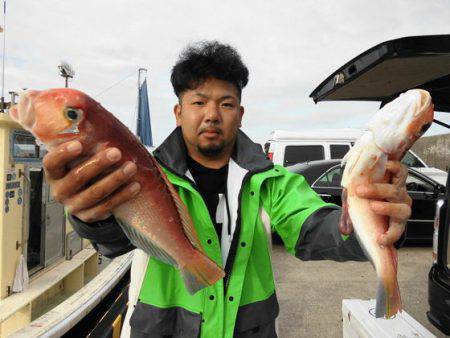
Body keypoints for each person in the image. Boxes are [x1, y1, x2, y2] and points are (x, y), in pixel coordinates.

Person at [44, 41, 412, 338]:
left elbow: (317, 229)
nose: (211, 114)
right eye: (199, 102)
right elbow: (116, 241)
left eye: (226, 103)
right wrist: (89, 215)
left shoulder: (273, 180)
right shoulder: (142, 173)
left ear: (241, 113)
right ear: (177, 112)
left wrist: (368, 217)